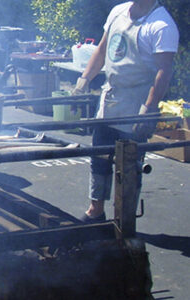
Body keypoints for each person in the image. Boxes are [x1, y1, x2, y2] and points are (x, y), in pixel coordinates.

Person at [72, 0, 179, 222]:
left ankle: (125, 218)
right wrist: (84, 79)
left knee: (130, 165)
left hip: (136, 104)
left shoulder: (161, 25)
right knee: (99, 157)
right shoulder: (117, 12)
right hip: (110, 99)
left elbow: (164, 71)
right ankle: (96, 211)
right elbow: (102, 49)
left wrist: (148, 108)